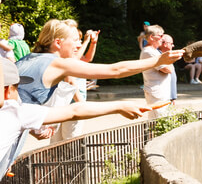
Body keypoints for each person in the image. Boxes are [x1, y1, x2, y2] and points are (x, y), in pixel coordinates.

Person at [16, 20, 183, 142]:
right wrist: (158, 61)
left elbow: (16, 103)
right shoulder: (57, 63)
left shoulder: (28, 59)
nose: (79, 44)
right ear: (58, 43)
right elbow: (115, 70)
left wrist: (31, 127)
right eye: (75, 40)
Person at [1, 59, 150, 175]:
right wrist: (120, 106)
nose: (19, 94)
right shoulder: (15, 111)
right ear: (7, 91)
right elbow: (75, 111)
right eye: (17, 88)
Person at [140, 25, 173, 115]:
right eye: (161, 36)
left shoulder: (154, 51)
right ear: (151, 37)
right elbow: (168, 69)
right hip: (156, 95)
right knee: (157, 122)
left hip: (160, 93)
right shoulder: (149, 52)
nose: (162, 39)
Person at [160, 34, 179, 104]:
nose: (173, 46)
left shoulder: (167, 56)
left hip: (169, 97)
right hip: (162, 97)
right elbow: (168, 70)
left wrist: (173, 97)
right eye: (171, 43)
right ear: (165, 44)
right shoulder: (158, 55)